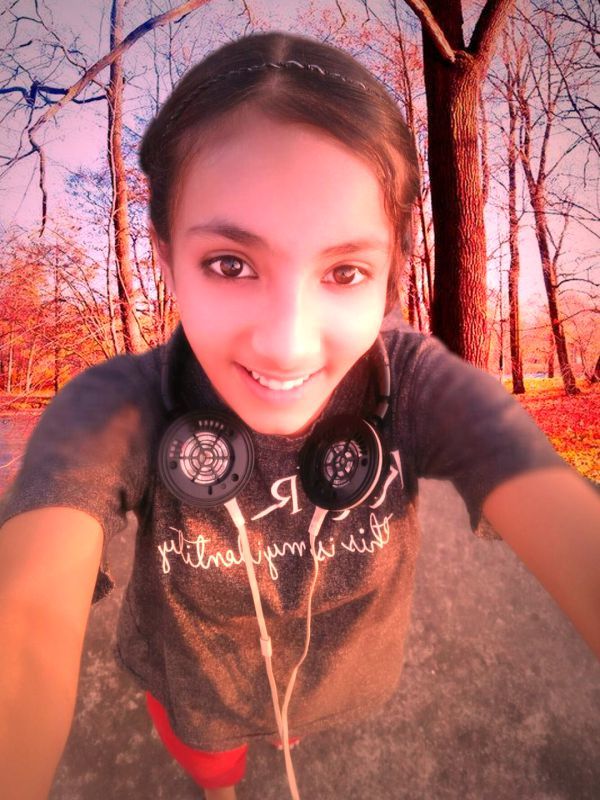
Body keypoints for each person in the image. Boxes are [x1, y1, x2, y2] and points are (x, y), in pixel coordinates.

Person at [0, 29, 598, 800]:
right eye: (230, 264)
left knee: (289, 727)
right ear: (166, 257)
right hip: (196, 701)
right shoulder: (113, 407)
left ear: (391, 274)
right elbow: (23, 628)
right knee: (213, 766)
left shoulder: (418, 385)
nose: (287, 345)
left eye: (344, 271)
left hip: (322, 688)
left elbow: (564, 517)